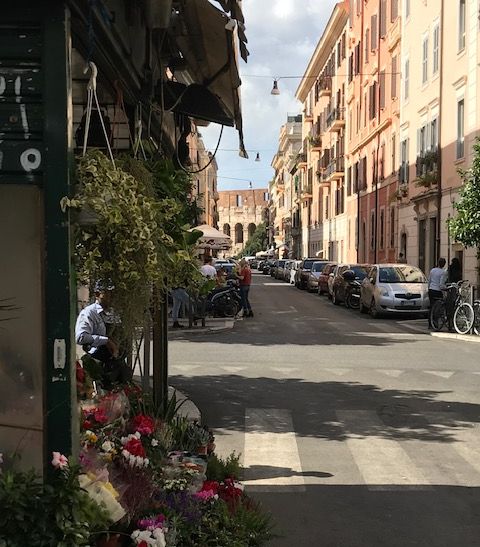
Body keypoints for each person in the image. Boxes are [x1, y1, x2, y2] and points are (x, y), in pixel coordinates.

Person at [75, 280, 132, 386]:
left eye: (112, 294)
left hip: (115, 365)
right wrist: (105, 341)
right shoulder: (89, 313)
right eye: (107, 294)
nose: (111, 297)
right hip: (97, 365)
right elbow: (80, 337)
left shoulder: (113, 313)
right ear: (97, 294)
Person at [428, 258, 447, 328]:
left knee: (432, 306)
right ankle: (435, 322)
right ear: (444, 264)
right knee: (438, 307)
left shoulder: (432, 270)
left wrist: (428, 288)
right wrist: (445, 289)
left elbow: (429, 280)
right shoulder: (443, 272)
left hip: (431, 290)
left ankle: (430, 323)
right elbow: (441, 284)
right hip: (438, 291)